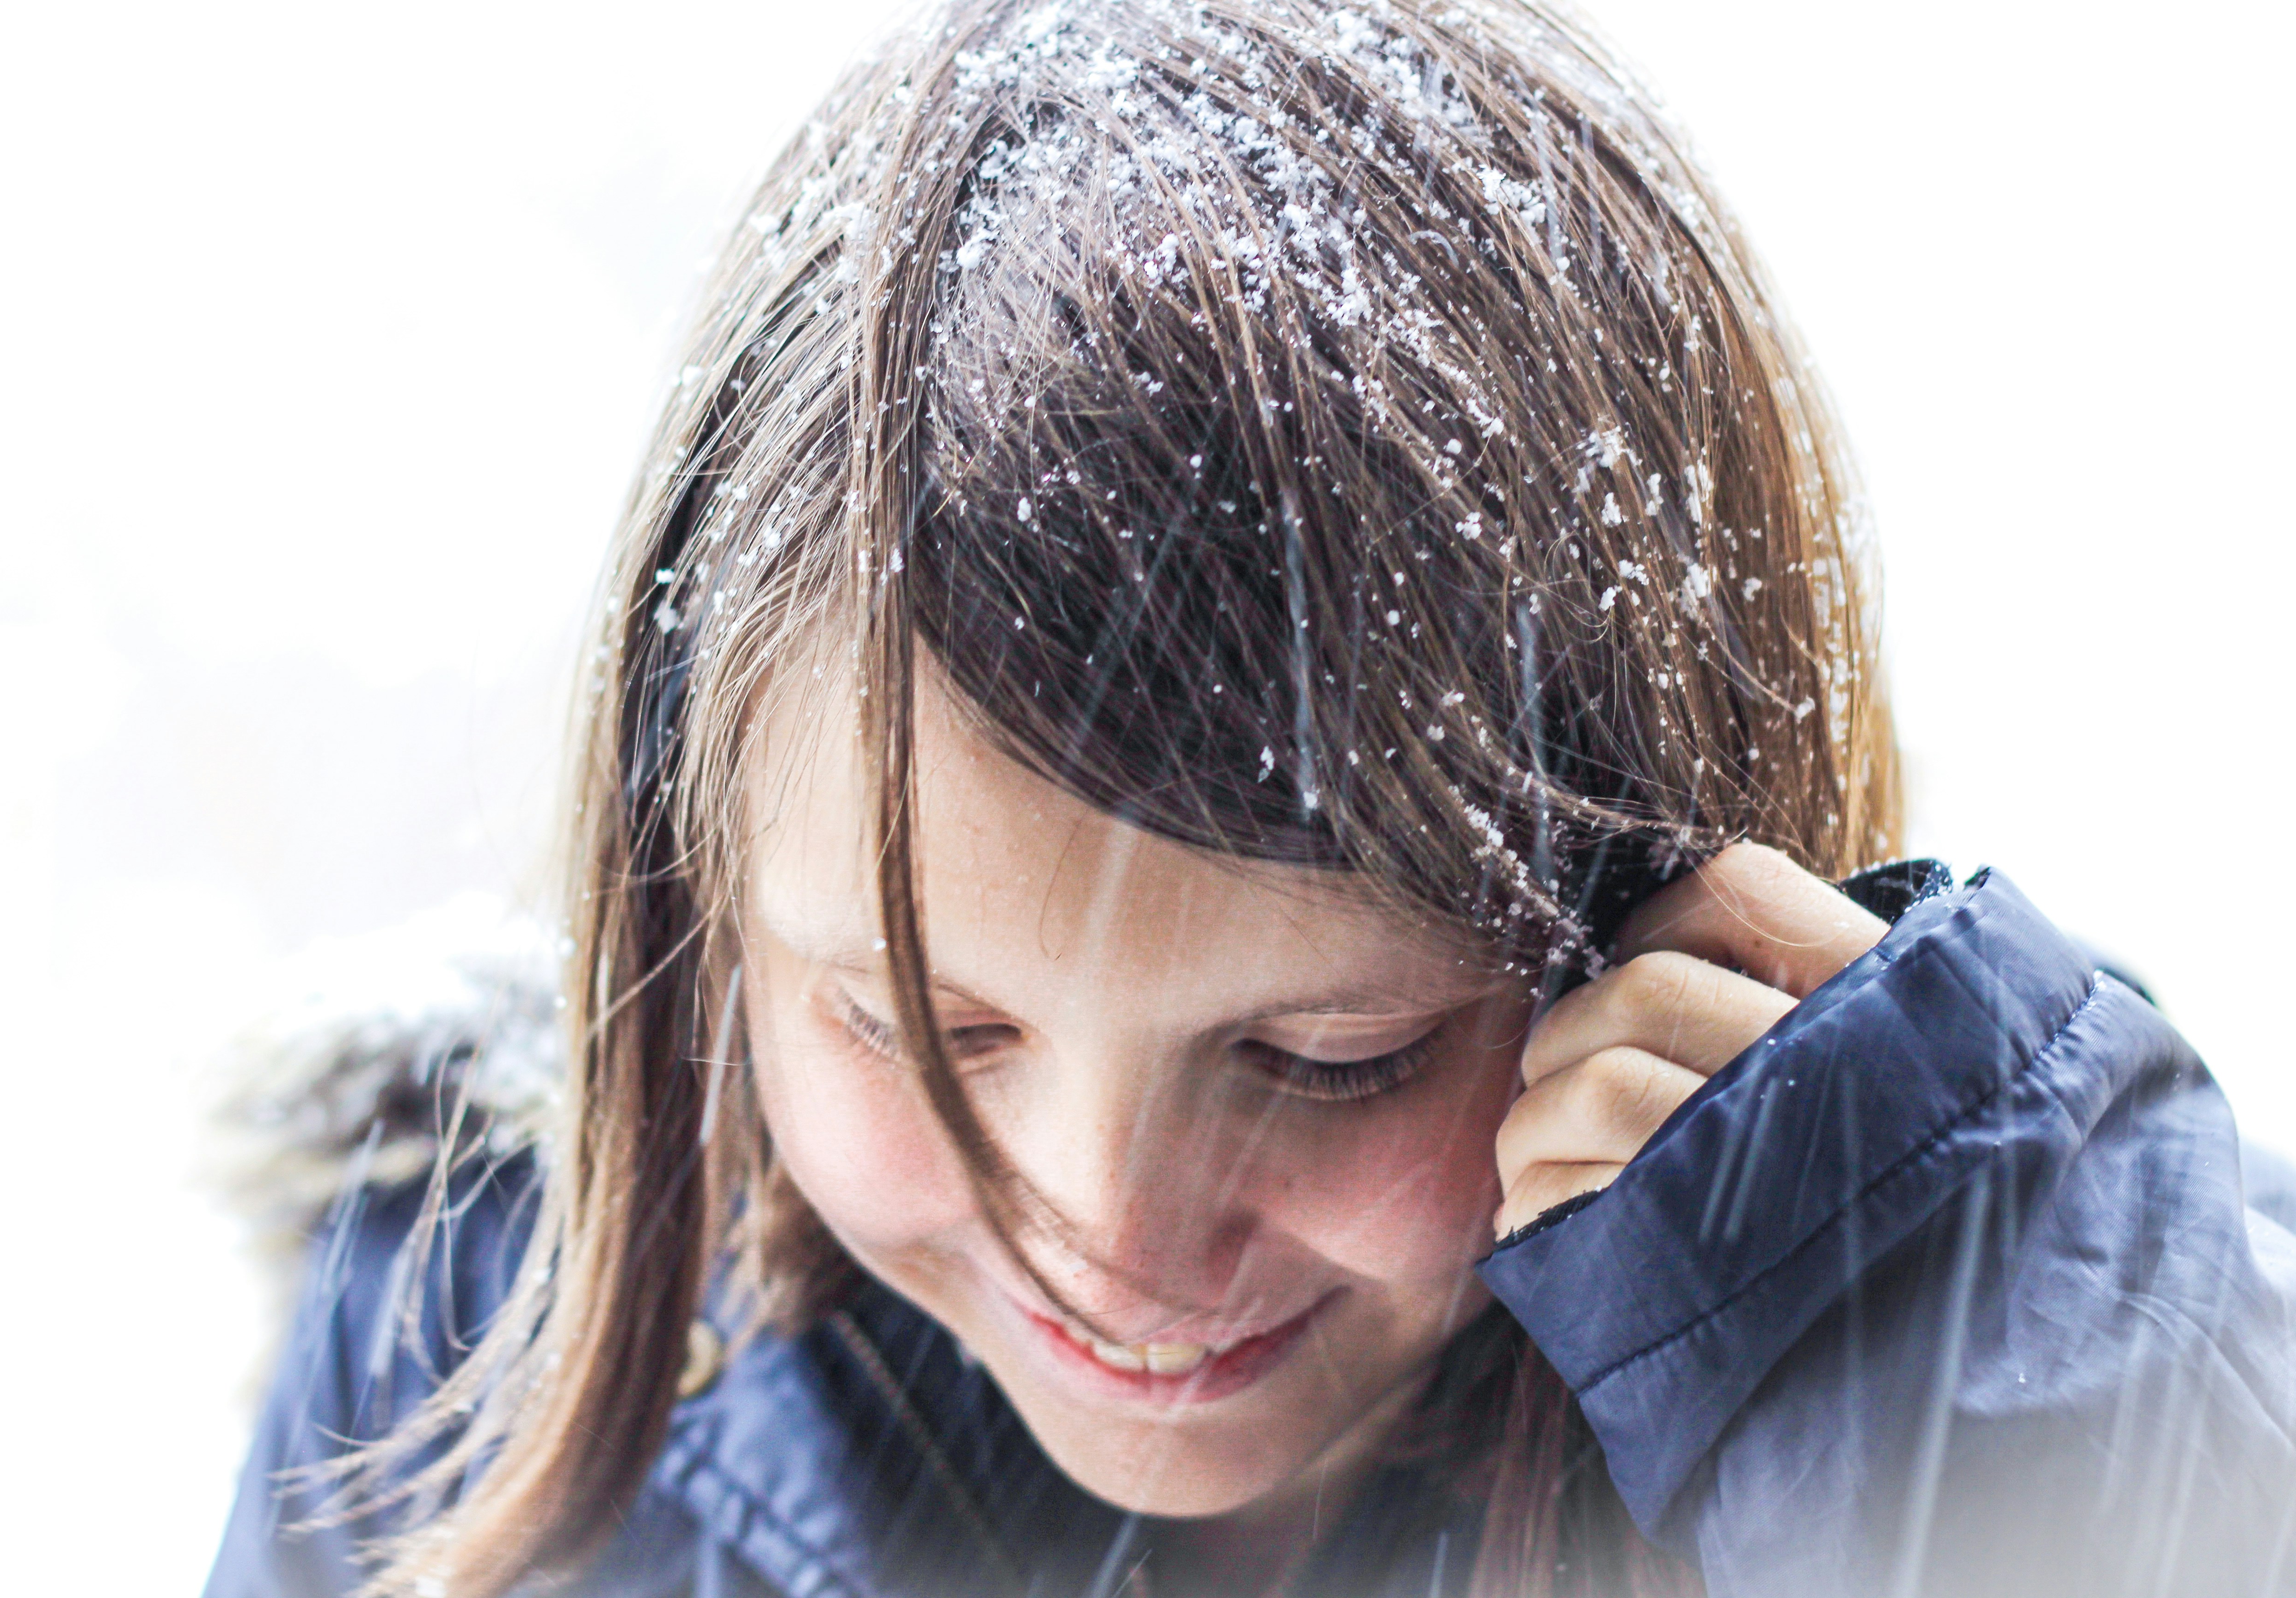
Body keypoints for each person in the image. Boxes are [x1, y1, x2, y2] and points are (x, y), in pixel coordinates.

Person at [203, 1, 2296, 1593]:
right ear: (698, 883)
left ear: (1671, 914)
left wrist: (1968, 1410)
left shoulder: (2123, 1372)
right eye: (920, 1028)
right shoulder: (457, 1349)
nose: (1105, 1229)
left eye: (1326, 1056)